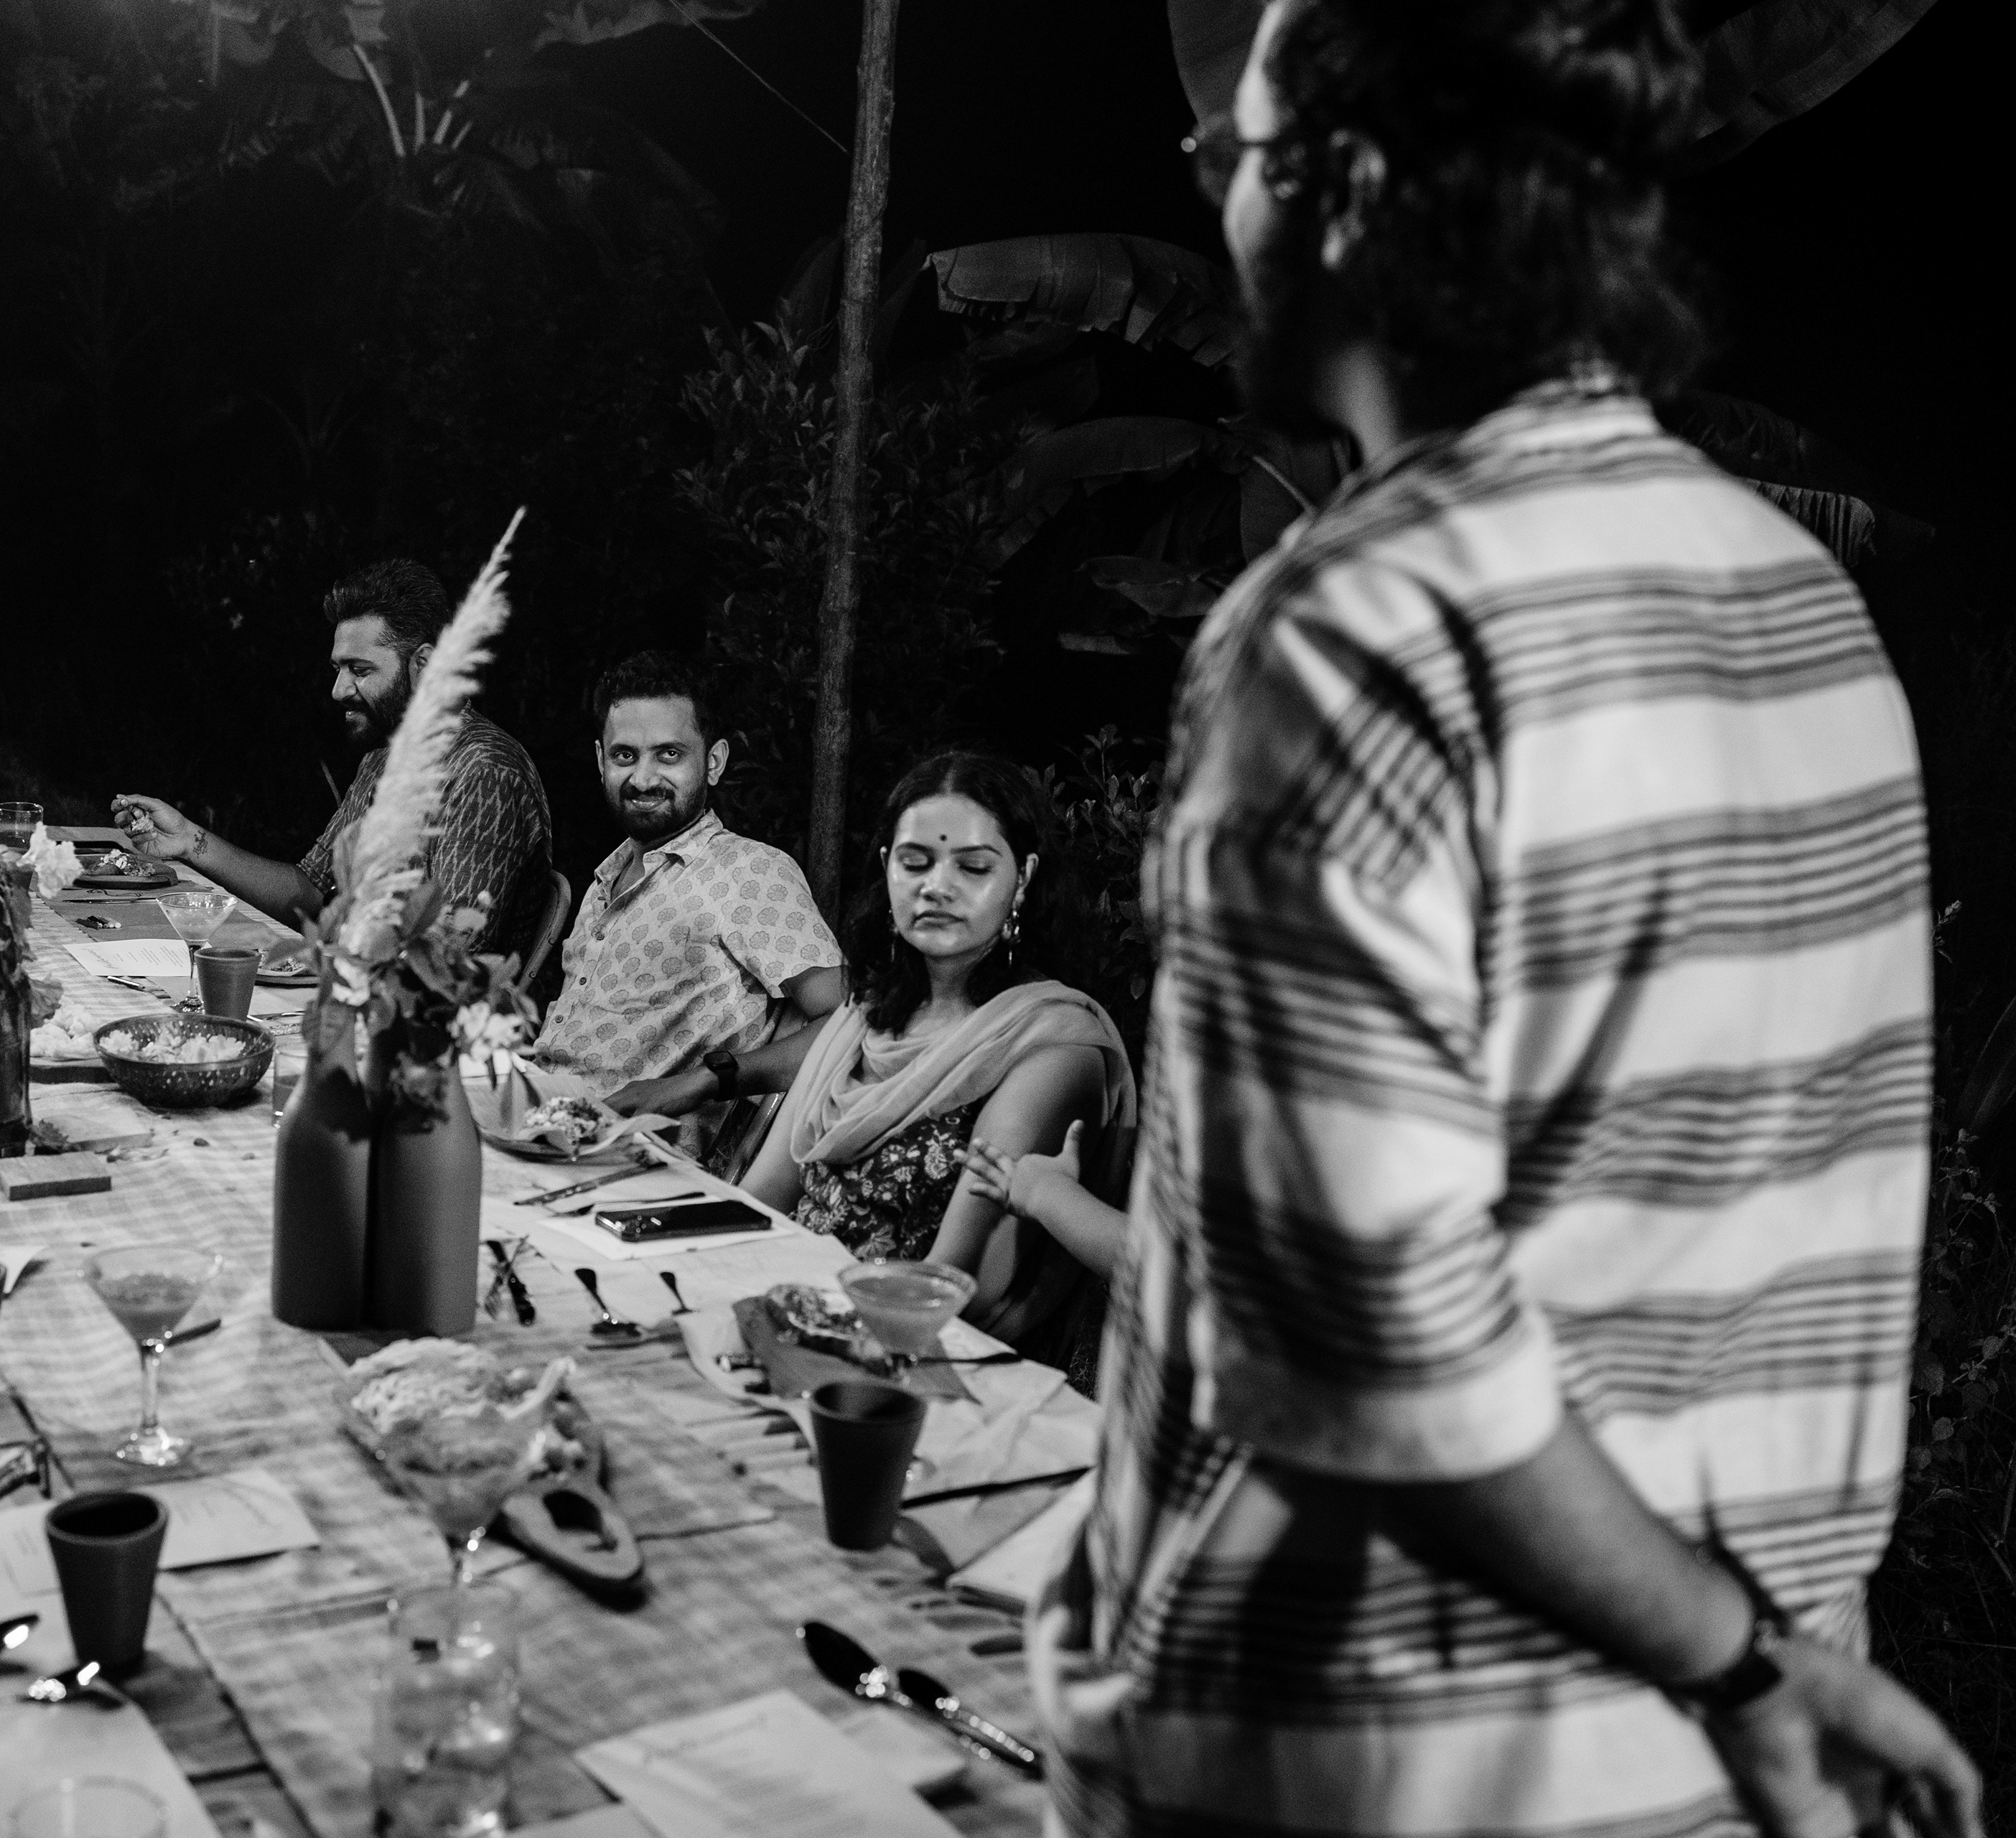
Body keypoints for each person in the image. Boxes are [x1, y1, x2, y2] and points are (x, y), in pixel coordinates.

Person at [1031, 3, 1982, 1834]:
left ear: (1353, 187)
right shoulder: (1802, 604)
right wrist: (1751, 1667)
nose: (1217, 197)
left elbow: (1359, 1342)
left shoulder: (1353, 628)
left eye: (1234, 153)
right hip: (1713, 1766)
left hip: (1378, 1755)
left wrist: (1730, 1655)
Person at [740, 752, 1135, 1391]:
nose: (937, 886)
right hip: (786, 1318)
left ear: (1024, 879)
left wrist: (791, 1323)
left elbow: (952, 1283)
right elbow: (763, 1198)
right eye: (915, 862)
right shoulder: (862, 1018)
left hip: (919, 1371)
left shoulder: (1051, 1046)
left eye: (973, 868)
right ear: (887, 870)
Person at [115, 559, 552, 958]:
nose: (339, 690)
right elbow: (310, 891)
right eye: (338, 669)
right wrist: (190, 840)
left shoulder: (484, 773)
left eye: (360, 670)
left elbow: (448, 957)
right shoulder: (384, 759)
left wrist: (321, 960)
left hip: (419, 1019)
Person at [530, 651, 844, 1139]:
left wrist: (706, 1080)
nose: (643, 778)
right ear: (600, 761)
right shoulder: (605, 879)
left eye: (669, 755)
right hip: (544, 1122)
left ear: (713, 763)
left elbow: (848, 1022)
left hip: (632, 1156)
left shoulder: (748, 872)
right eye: (625, 756)